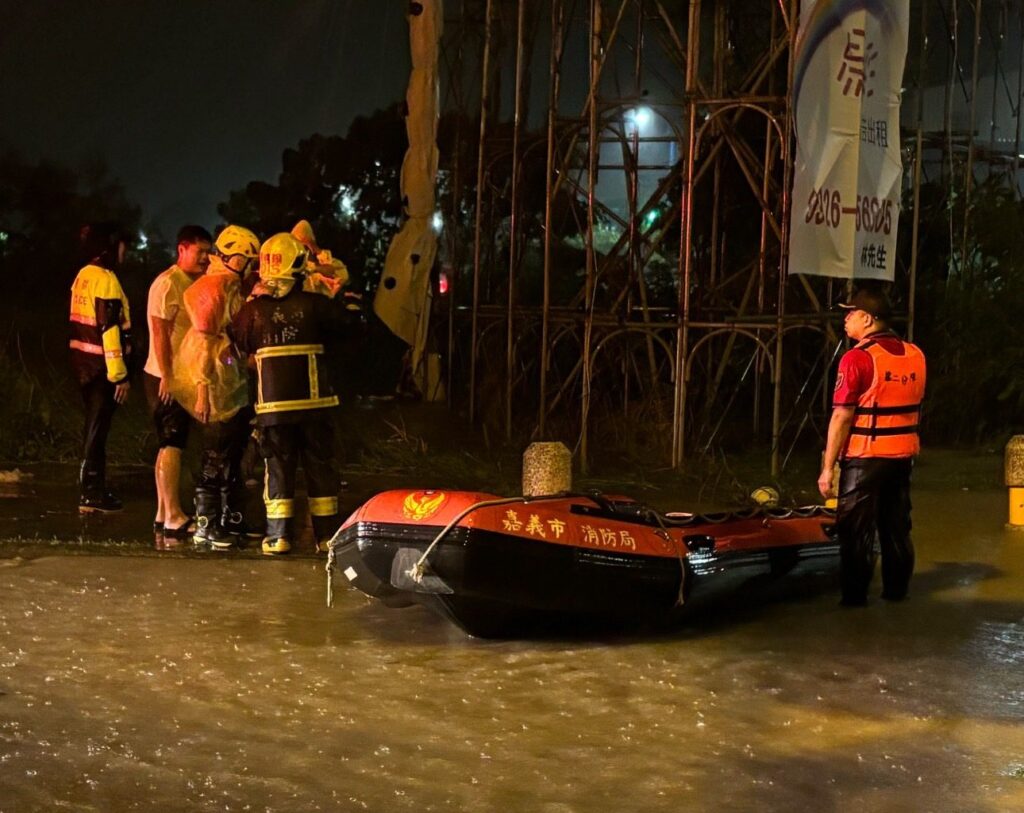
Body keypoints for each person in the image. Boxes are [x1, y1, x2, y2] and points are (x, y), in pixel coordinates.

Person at [229, 232, 357, 555]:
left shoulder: (253, 311)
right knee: (320, 470)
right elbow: (347, 328)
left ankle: (278, 536)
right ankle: (326, 537)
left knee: (278, 471)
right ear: (299, 265)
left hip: (273, 411)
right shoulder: (316, 305)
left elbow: (237, 338)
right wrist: (343, 294)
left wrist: (252, 301)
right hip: (316, 408)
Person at [817, 287, 926, 606]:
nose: (845, 320)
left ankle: (853, 600)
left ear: (866, 319)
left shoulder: (857, 359)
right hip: (902, 457)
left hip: (865, 458)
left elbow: (841, 417)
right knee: (896, 527)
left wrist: (828, 467)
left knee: (855, 531)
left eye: (849, 314)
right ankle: (897, 593)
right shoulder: (915, 355)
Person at [169, 225, 261, 549]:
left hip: (227, 375)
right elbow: (206, 345)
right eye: (247, 259)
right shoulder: (214, 287)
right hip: (213, 380)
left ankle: (227, 516)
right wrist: (204, 389)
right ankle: (207, 522)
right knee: (216, 452)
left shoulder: (230, 285)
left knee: (232, 450)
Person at [144, 225, 212, 541]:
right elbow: (159, 331)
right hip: (164, 376)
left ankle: (163, 512)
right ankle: (173, 515)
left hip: (177, 375)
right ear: (182, 249)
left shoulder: (193, 282)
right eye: (200, 252)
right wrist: (168, 377)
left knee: (170, 443)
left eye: (208, 252)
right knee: (172, 442)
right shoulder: (168, 283)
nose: (205, 258)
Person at [69, 223, 132, 513]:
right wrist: (119, 375)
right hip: (103, 367)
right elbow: (109, 329)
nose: (125, 253)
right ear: (108, 248)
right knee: (98, 429)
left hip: (84, 364)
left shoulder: (82, 276)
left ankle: (90, 489)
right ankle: (92, 492)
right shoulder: (106, 279)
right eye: (122, 247)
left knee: (92, 427)